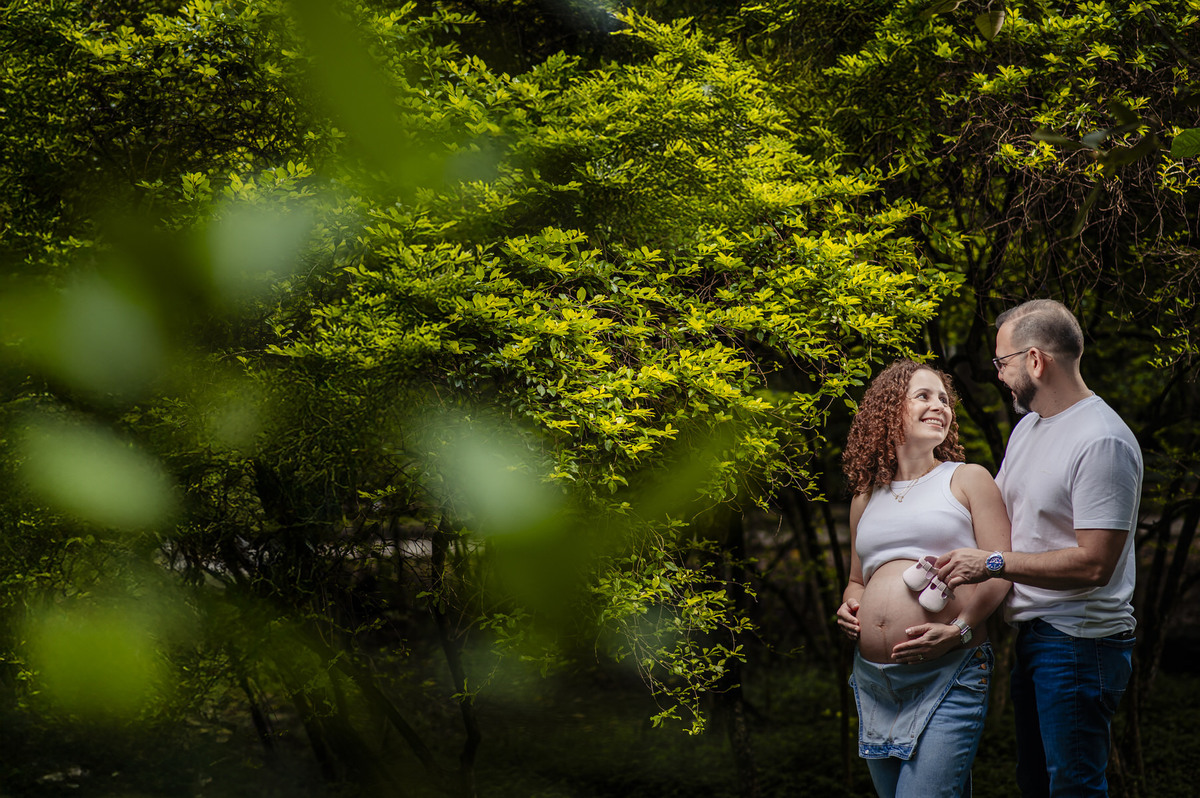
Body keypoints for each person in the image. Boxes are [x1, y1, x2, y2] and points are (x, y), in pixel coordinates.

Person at [936, 299, 1142, 797]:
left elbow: (1095, 564)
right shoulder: (1030, 426)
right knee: (1033, 782)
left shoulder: (1102, 440)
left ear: (1035, 361)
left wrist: (991, 564)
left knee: (1072, 787)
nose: (999, 374)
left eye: (1002, 362)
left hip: (1079, 642)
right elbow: (1000, 521)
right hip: (1035, 636)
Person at [837, 359, 1012, 798]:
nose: (940, 406)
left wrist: (957, 631)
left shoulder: (967, 479)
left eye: (944, 398)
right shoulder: (865, 497)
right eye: (924, 396)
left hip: (951, 669)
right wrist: (848, 606)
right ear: (890, 409)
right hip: (876, 682)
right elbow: (857, 580)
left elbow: (1001, 571)